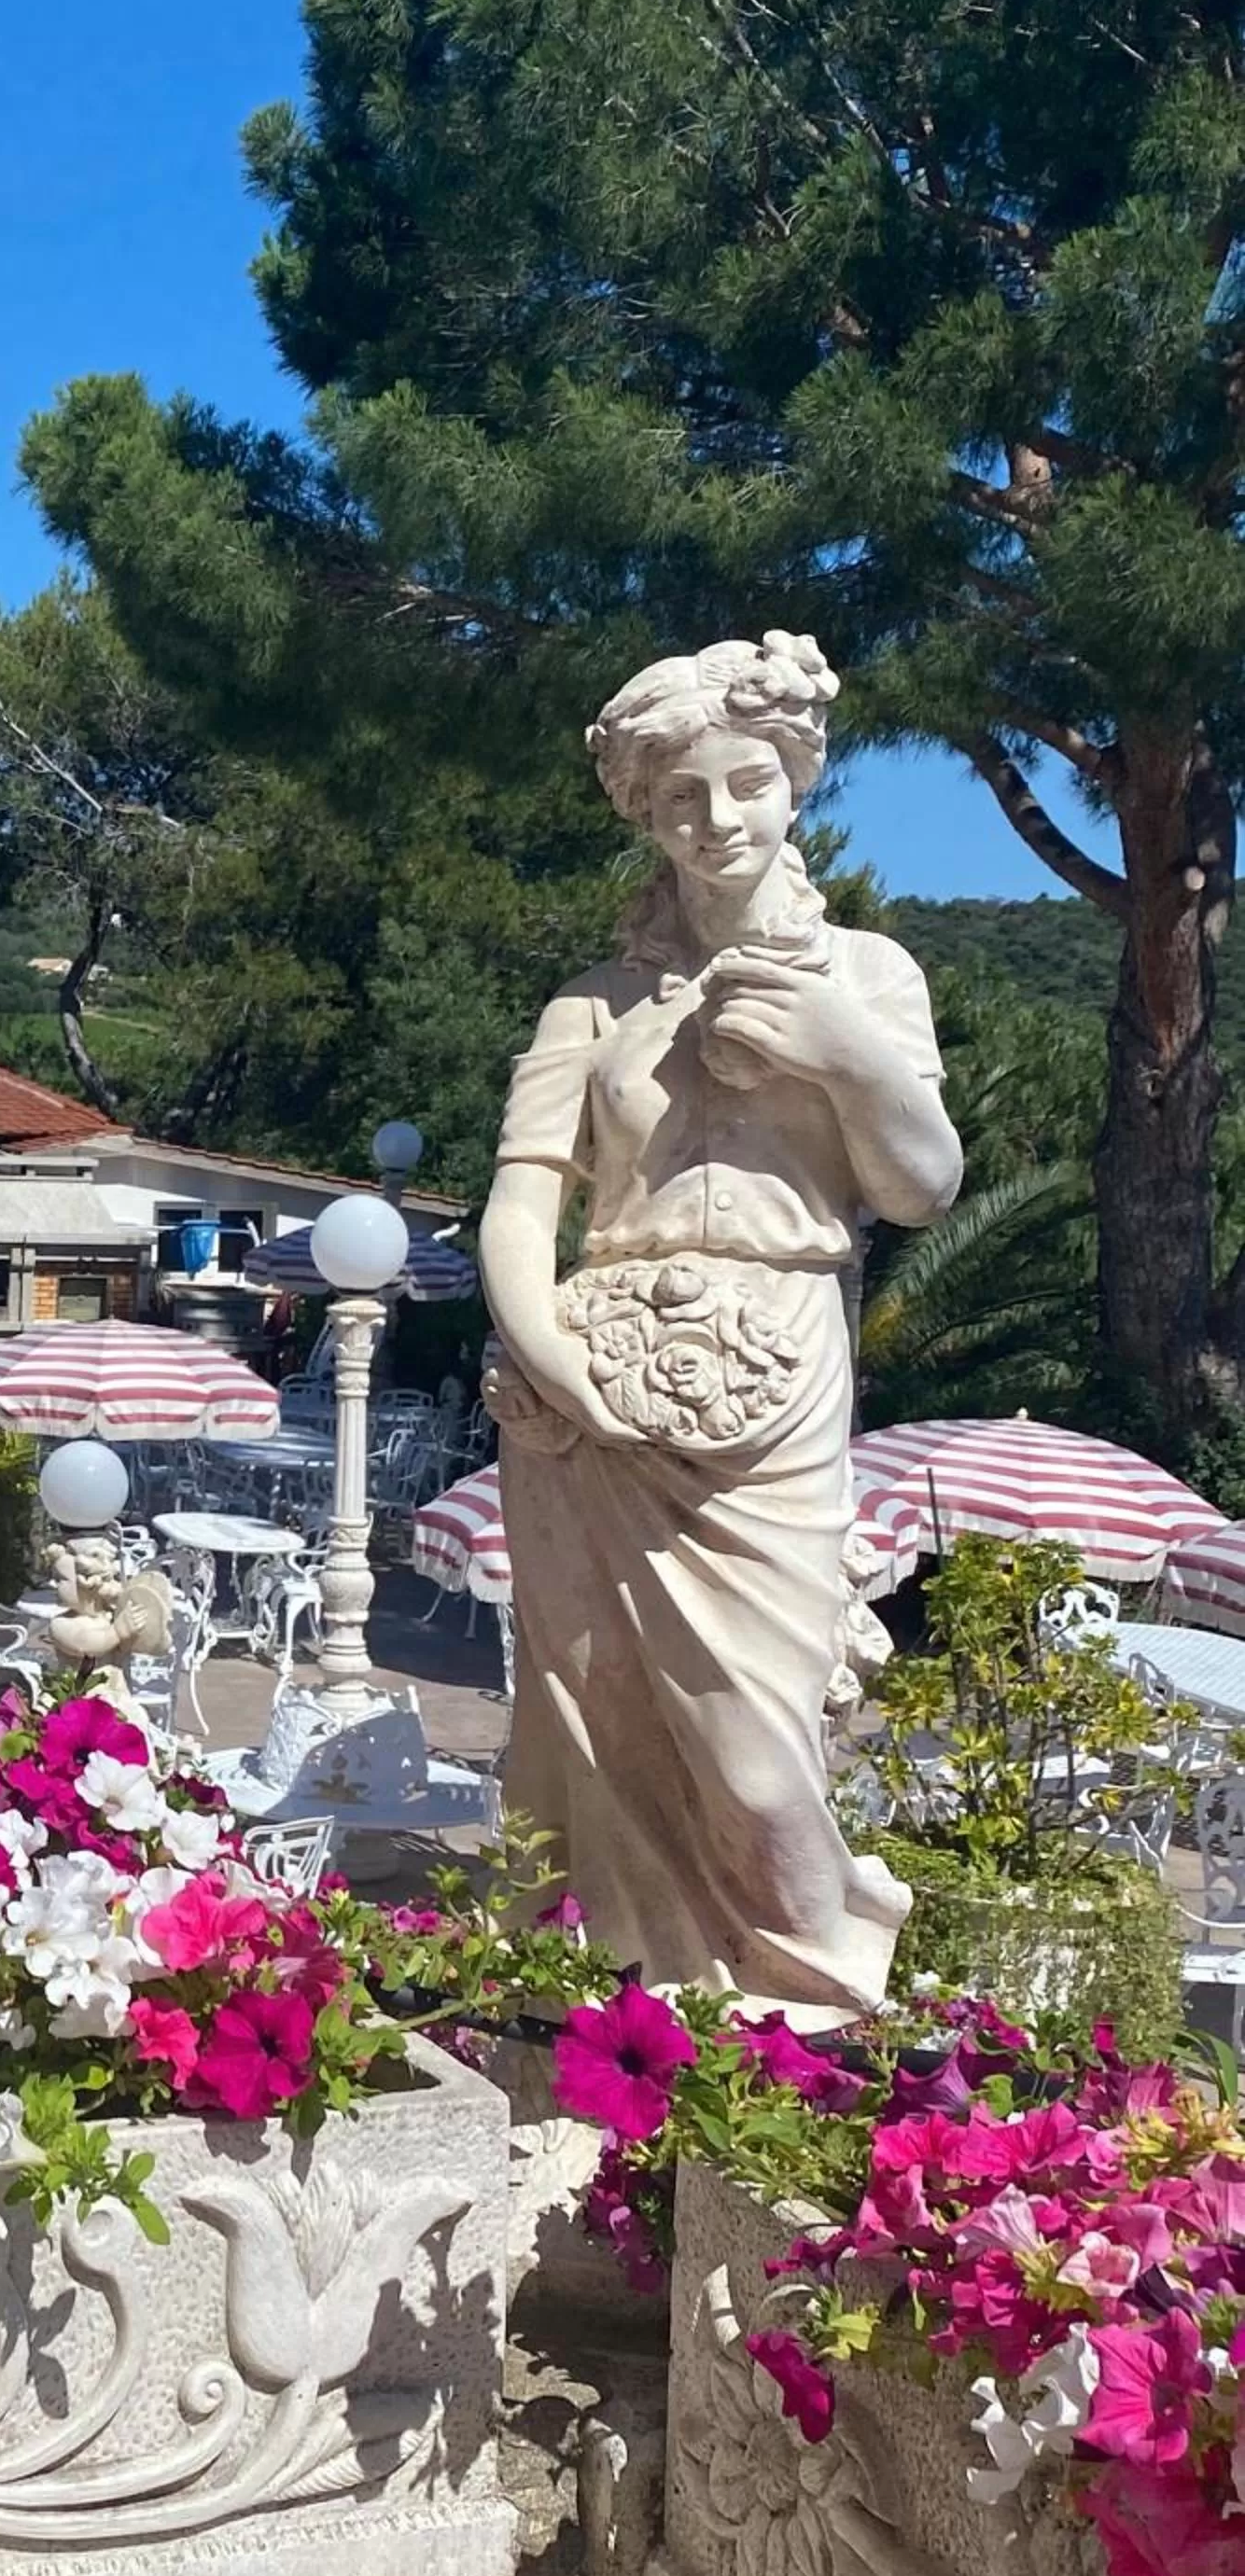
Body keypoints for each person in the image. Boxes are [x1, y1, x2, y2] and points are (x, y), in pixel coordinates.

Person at [481, 633, 962, 2016]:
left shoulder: (869, 975)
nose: (720, 818)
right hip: (587, 1398)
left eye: (748, 781)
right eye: (682, 795)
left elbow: (921, 1185)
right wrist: (548, 1353)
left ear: (795, 779)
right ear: (645, 809)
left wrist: (842, 1052)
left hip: (778, 1368)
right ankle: (617, 2024)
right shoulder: (592, 1004)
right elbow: (520, 1212)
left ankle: (813, 2020)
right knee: (586, 1730)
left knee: (759, 1757)